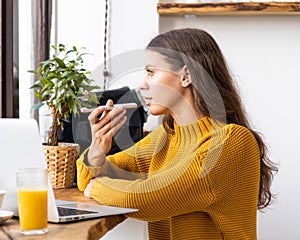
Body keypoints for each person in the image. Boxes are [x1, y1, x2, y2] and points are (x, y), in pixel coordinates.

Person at [76, 28, 278, 239]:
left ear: (186, 75)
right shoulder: (165, 136)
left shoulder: (231, 142)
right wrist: (98, 150)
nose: (142, 84)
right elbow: (87, 180)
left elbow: (145, 200)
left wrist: (97, 188)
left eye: (151, 72)